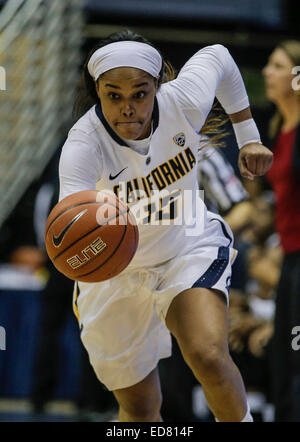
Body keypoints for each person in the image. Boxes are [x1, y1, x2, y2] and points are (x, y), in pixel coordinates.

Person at [58, 30, 273, 422]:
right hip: (114, 272)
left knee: (207, 354)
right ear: (97, 92)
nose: (128, 107)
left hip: (184, 246)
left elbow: (220, 56)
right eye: (114, 95)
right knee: (140, 409)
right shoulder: (82, 146)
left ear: (157, 86)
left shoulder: (184, 101)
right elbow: (67, 228)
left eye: (140, 93)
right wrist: (85, 241)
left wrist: (250, 137)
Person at [262, 40, 300, 421]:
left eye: (277, 65)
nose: (267, 72)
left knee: (297, 361)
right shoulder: (281, 127)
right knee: (284, 360)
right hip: (290, 258)